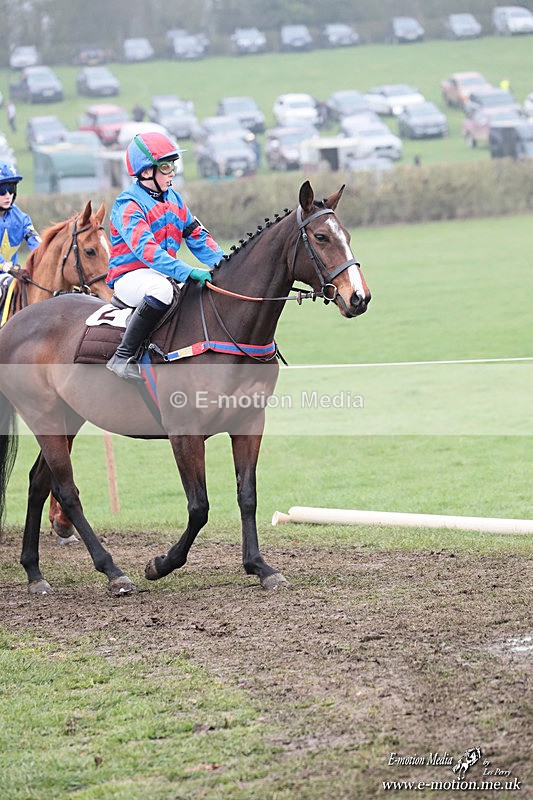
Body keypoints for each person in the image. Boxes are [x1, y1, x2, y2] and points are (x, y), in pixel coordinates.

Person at [106, 131, 225, 381]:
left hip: (162, 273)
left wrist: (225, 264)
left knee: (201, 293)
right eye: (166, 166)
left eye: (174, 165)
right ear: (147, 171)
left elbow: (197, 237)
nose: (173, 172)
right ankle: (122, 356)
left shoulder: (175, 200)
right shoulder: (128, 205)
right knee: (162, 291)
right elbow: (148, 252)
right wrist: (188, 271)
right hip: (130, 276)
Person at [0, 161, 41, 273]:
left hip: (9, 276)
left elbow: (36, 243)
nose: (8, 195)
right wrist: (4, 265)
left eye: (11, 189)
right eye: (2, 190)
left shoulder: (22, 218)